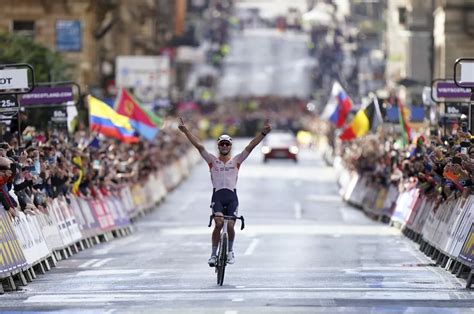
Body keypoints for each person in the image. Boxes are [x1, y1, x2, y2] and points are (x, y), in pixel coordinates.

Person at [178, 117, 272, 266]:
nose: (224, 146)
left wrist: (262, 133)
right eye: (221, 144)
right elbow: (199, 146)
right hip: (218, 197)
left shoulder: (236, 161)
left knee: (230, 225)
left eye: (227, 144)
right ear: (218, 146)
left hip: (232, 197)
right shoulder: (212, 161)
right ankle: (213, 255)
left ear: (230, 146)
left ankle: (230, 252)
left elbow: (250, 146)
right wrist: (185, 131)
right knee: (219, 223)